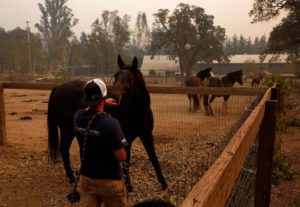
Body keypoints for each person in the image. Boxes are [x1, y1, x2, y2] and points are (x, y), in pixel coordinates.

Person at [73, 78, 129, 207]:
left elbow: (87, 110)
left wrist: (103, 103)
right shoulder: (111, 123)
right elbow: (121, 156)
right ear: (104, 96)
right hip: (109, 181)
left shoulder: (77, 117)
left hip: (86, 179)